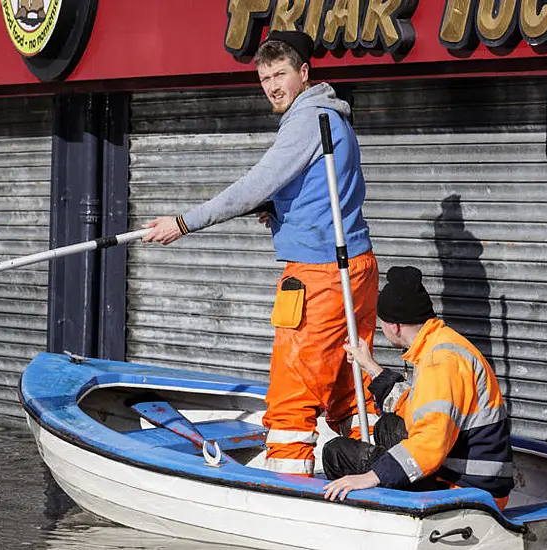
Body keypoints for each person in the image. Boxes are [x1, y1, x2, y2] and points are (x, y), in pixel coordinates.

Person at [140, 30, 379, 476]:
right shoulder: (333, 116)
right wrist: (282, 210)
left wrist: (183, 223)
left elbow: (254, 184)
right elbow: (330, 192)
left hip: (320, 275)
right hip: (357, 268)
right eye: (265, 77)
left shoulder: (307, 120)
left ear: (304, 73)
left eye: (280, 74)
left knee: (293, 393)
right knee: (353, 389)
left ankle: (290, 494)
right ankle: (378, 473)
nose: (272, 85)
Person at [322, 266, 514, 509]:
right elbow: (416, 407)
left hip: (469, 491)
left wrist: (369, 477)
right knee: (388, 426)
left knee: (337, 453)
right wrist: (369, 366)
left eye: (381, 323)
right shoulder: (440, 343)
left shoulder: (441, 362)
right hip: (464, 471)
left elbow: (430, 442)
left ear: (395, 326)